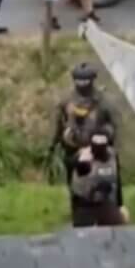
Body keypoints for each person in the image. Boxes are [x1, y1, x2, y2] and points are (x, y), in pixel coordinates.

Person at [50, 63, 119, 208]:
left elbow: (113, 125)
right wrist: (54, 143)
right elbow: (59, 124)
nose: (82, 83)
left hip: (99, 148)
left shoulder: (103, 100)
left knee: (109, 177)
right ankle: (77, 205)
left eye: (85, 80)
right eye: (79, 80)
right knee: (75, 181)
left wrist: (105, 136)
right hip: (73, 149)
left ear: (92, 79)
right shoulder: (66, 100)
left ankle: (113, 206)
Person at [68, 133, 129, 227]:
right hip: (85, 204)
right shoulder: (83, 157)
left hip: (106, 202)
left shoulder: (112, 155)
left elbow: (117, 181)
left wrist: (120, 205)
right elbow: (73, 179)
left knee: (117, 228)